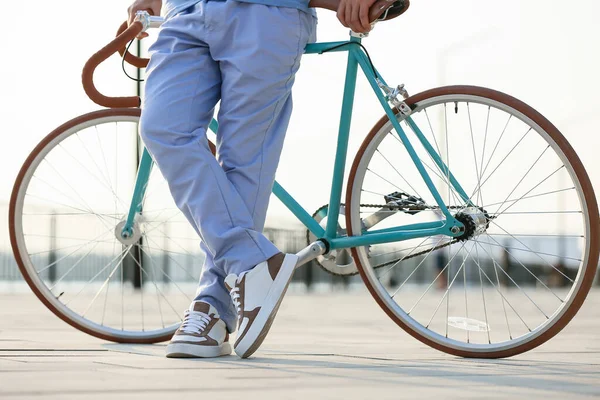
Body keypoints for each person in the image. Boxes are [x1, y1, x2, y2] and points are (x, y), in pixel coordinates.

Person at [127, 0, 375, 359]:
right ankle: (253, 262)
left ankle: (212, 309)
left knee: (243, 162)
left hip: (267, 10)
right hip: (186, 10)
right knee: (161, 126)